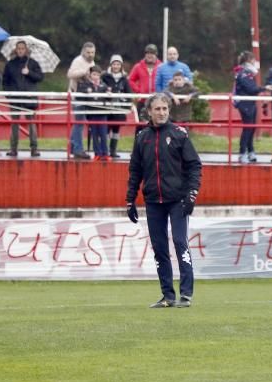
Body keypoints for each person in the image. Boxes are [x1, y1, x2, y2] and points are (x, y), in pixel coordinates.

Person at [126, 92, 202, 308]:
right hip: (153, 202)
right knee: (159, 248)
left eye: (165, 109)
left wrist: (192, 193)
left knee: (180, 242)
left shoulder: (179, 134)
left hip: (178, 199)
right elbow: (135, 170)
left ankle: (186, 294)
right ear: (149, 111)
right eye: (157, 109)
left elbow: (194, 165)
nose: (161, 112)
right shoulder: (142, 137)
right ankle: (167, 296)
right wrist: (130, 200)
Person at [2, 39, 44, 157]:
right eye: (18, 48)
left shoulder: (33, 63)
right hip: (15, 97)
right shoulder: (10, 64)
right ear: (15, 50)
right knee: (14, 123)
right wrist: (8, 94)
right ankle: (13, 149)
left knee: (31, 123)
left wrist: (29, 72)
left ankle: (34, 148)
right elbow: (5, 81)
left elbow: (40, 77)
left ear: (26, 50)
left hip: (29, 97)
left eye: (22, 48)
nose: (20, 50)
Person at [233, 51, 267, 164]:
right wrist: (264, 88)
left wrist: (261, 89)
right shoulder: (243, 73)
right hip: (245, 104)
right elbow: (251, 89)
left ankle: (251, 151)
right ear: (248, 61)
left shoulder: (249, 73)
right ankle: (242, 153)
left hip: (251, 103)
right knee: (247, 128)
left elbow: (253, 89)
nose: (254, 62)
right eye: (253, 60)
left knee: (251, 128)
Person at [66, 41, 97, 159]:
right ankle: (78, 149)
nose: (90, 55)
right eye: (88, 52)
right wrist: (83, 72)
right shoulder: (78, 61)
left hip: (86, 95)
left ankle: (73, 146)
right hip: (77, 94)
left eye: (93, 52)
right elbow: (70, 74)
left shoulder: (92, 62)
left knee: (80, 121)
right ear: (83, 52)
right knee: (79, 122)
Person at [101, 54, 133, 158]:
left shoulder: (124, 78)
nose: (116, 66)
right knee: (106, 129)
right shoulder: (105, 76)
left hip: (119, 108)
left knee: (116, 129)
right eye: (114, 64)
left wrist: (128, 105)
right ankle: (104, 150)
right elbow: (101, 88)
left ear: (121, 65)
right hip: (107, 107)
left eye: (118, 64)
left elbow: (128, 92)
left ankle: (113, 150)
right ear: (111, 65)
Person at [81, 66, 110, 161]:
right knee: (94, 135)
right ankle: (97, 153)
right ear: (90, 75)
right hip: (92, 114)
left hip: (102, 113)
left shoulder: (103, 85)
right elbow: (81, 92)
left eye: (97, 74)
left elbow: (109, 98)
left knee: (103, 134)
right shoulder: (86, 84)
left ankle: (105, 153)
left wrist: (109, 94)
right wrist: (86, 91)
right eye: (94, 74)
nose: (96, 76)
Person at [128, 44, 162, 125]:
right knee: (140, 125)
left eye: (152, 53)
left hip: (157, 100)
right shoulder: (138, 66)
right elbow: (130, 80)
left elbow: (165, 82)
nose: (150, 55)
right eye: (148, 53)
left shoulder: (162, 66)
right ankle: (139, 138)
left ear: (156, 54)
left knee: (157, 124)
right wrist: (138, 91)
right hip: (142, 100)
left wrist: (160, 93)